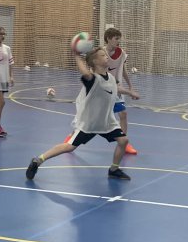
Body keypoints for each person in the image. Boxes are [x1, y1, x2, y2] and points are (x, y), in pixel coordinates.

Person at [27, 43, 134, 181]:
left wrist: (130, 92)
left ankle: (114, 169)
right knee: (69, 147)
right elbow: (85, 73)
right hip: (89, 123)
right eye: (102, 55)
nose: (106, 56)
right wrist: (77, 56)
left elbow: (115, 88)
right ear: (95, 62)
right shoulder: (93, 79)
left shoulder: (111, 78)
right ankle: (38, 160)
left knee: (123, 140)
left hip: (107, 122)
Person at [103, 27, 140, 155]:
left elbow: (123, 70)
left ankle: (124, 143)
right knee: (92, 120)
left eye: (119, 38)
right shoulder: (101, 53)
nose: (118, 41)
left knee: (123, 114)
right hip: (102, 90)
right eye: (116, 38)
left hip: (117, 89)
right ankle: (72, 137)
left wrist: (130, 86)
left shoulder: (121, 53)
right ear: (108, 39)